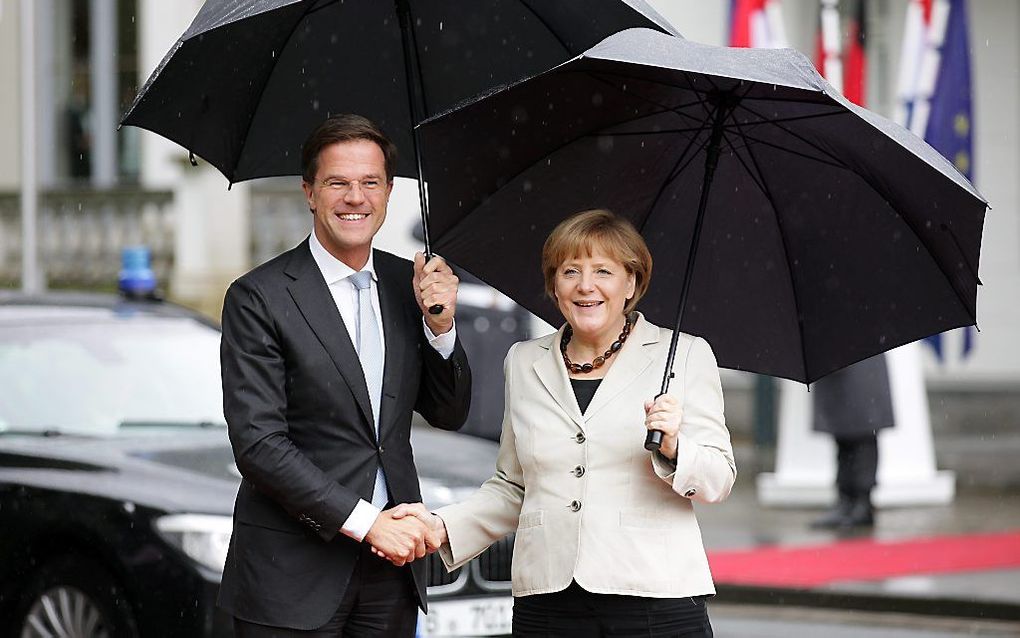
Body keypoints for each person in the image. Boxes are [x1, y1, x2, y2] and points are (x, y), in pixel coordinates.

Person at [389, 209, 735, 637]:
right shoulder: (523, 361)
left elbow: (718, 480)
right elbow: (514, 486)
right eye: (571, 271)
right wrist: (443, 526)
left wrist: (677, 447)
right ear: (554, 285)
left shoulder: (683, 355)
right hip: (548, 603)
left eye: (603, 271)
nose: (585, 286)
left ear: (631, 283)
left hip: (653, 599)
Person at [217, 114, 472, 636]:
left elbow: (449, 412)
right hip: (292, 575)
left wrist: (441, 325)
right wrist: (367, 522)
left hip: (391, 574)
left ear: (389, 192)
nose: (355, 197)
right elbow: (260, 444)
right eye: (338, 183)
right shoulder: (258, 297)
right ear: (309, 192)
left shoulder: (412, 283)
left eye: (369, 183)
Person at [810, 354, 894, 529]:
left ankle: (861, 501)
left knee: (862, 431)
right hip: (835, 362)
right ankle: (846, 499)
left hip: (860, 358)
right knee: (843, 433)